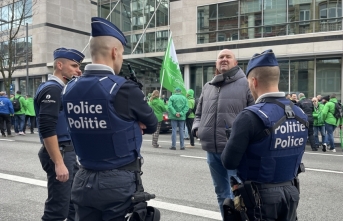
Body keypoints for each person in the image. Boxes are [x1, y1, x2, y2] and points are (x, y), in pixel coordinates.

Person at [61, 17, 159, 221]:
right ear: (115, 52)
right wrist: (133, 122)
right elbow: (151, 124)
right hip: (117, 182)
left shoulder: (68, 88)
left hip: (82, 179)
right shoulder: (123, 88)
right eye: (122, 53)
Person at [221, 49, 308, 221]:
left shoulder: (250, 116)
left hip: (259, 199)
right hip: (291, 194)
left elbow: (228, 161)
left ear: (253, 82)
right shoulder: (300, 114)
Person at [192, 49, 254, 218]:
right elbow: (198, 114)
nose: (224, 59)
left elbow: (254, 115)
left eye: (228, 57)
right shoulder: (208, 86)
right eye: (221, 57)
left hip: (235, 151)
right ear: (216, 63)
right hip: (212, 151)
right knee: (221, 193)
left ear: (235, 63)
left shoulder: (246, 84)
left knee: (240, 195)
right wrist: (198, 129)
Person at [34, 47, 84, 221]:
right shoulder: (52, 89)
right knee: (57, 210)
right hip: (60, 152)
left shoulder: (61, 88)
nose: (79, 70)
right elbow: (47, 128)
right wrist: (59, 162)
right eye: (74, 65)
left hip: (66, 151)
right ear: (60, 65)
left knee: (74, 204)